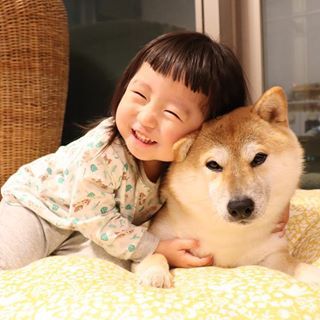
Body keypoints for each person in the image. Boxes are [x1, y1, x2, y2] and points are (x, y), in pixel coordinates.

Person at [0, 31, 287, 271]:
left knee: (107, 269)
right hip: (39, 208)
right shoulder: (100, 153)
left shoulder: (186, 163)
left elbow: (244, 167)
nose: (147, 118)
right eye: (139, 95)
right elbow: (92, 218)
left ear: (206, 130)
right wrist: (156, 247)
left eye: (171, 113)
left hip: (92, 227)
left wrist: (277, 203)